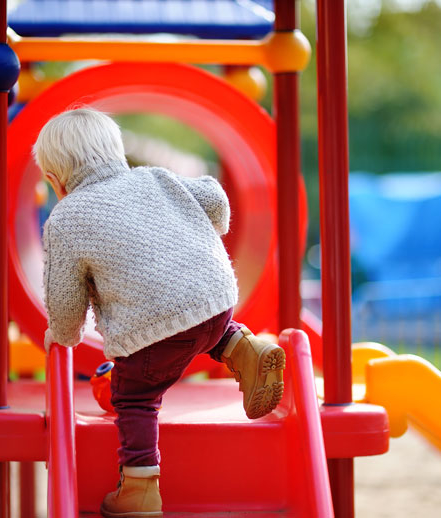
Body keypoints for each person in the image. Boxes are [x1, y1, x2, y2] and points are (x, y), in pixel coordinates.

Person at [33, 107, 285, 518]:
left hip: (154, 331)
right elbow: (214, 196)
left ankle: (139, 489)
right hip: (216, 299)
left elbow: (64, 299)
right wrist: (210, 228)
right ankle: (247, 349)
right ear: (116, 152)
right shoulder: (155, 177)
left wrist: (62, 336)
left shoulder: (67, 219)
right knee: (207, 329)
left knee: (135, 396)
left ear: (54, 181)